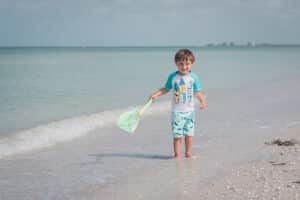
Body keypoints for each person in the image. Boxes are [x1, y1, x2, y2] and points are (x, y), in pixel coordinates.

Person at [149, 49, 207, 159]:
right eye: (181, 64)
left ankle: (188, 153)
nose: (184, 67)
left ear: (192, 64)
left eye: (187, 64)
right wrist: (156, 94)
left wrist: (202, 101)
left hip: (190, 112)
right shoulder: (173, 77)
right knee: (177, 135)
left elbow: (197, 92)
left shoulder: (193, 77)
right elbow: (166, 89)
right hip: (177, 113)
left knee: (189, 134)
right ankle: (177, 155)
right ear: (176, 63)